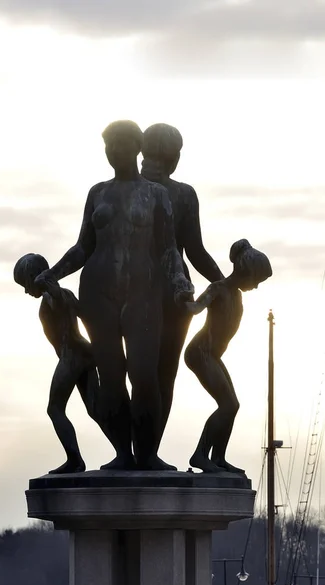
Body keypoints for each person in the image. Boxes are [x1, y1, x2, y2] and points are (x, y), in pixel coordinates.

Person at [34, 120, 194, 471]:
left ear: (136, 148)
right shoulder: (98, 193)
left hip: (143, 294)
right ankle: (123, 453)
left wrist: (181, 285)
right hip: (97, 293)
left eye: (120, 145)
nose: (113, 152)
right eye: (108, 146)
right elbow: (83, 246)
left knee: (144, 375)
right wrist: (52, 273)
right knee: (111, 377)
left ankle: (147, 454)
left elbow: (168, 250)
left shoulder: (157, 195)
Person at [141, 123, 223, 440]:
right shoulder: (177, 194)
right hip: (156, 292)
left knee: (153, 374)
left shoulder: (183, 195)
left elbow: (195, 251)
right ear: (174, 157)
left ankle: (145, 454)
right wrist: (223, 282)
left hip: (169, 293)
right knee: (160, 375)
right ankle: (143, 453)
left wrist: (222, 283)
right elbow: (197, 252)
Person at [184, 239, 272, 474]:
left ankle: (218, 458)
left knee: (233, 406)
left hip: (212, 355)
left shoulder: (237, 297)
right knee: (228, 404)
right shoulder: (218, 288)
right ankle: (200, 455)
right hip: (199, 352)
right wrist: (183, 298)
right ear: (246, 271)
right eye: (256, 280)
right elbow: (195, 308)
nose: (256, 286)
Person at [14, 252, 100, 474]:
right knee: (96, 409)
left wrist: (49, 285)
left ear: (34, 275)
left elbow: (61, 302)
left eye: (25, 283)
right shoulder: (63, 294)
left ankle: (75, 460)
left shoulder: (54, 296)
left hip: (72, 355)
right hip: (84, 353)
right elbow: (87, 315)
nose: (25, 290)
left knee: (54, 408)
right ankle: (125, 453)